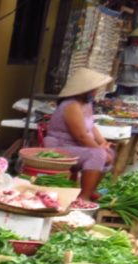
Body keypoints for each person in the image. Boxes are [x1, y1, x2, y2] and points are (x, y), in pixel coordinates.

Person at [43, 68, 114, 204]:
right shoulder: (71, 106)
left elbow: (91, 127)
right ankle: (83, 197)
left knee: (108, 153)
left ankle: (91, 189)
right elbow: (81, 136)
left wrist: (103, 143)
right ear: (83, 90)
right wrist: (100, 150)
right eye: (93, 90)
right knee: (98, 155)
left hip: (75, 145)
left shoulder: (86, 104)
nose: (95, 93)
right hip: (60, 146)